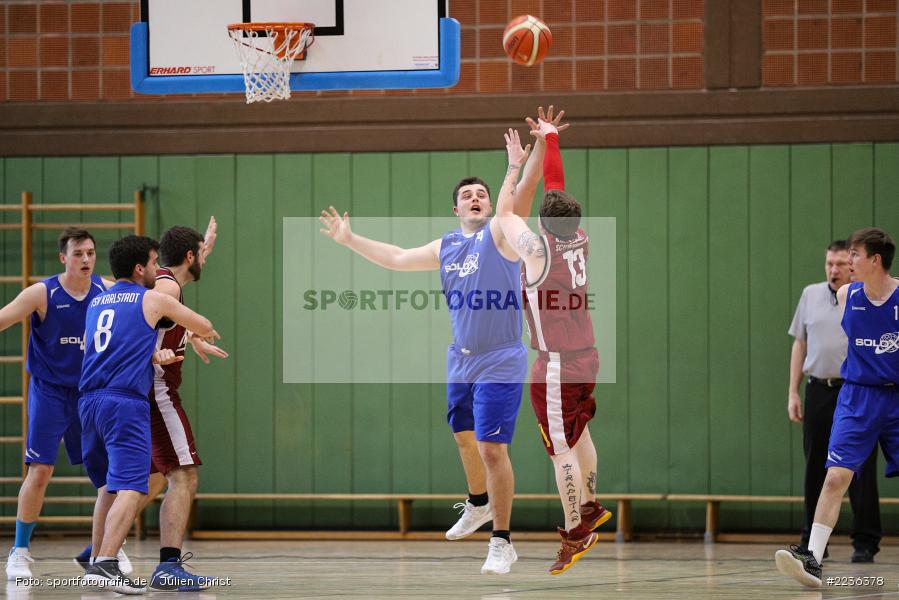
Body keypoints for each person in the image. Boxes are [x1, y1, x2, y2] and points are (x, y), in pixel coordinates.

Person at [318, 108, 562, 575]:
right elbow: (396, 256)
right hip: (461, 359)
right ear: (455, 209)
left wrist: (538, 150)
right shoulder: (447, 245)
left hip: (502, 358)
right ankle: (477, 502)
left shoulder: (501, 235)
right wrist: (351, 240)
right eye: (466, 195)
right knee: (465, 439)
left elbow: (525, 193)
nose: (475, 198)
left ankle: (502, 541)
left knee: (493, 449)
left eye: (482, 194)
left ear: (490, 206)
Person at [494, 116, 611, 574]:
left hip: (558, 364)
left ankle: (576, 531)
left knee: (559, 448)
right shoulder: (577, 235)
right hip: (588, 355)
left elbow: (506, 214)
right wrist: (552, 139)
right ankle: (590, 503)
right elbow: (557, 186)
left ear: (545, 219)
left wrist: (514, 166)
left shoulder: (537, 251)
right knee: (580, 434)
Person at [78, 235, 219, 594]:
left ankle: (98, 552)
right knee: (178, 476)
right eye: (153, 265)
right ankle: (151, 564)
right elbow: (192, 321)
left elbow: (129, 336)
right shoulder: (159, 293)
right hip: (138, 395)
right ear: (142, 268)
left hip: (89, 399)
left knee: (129, 484)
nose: (158, 271)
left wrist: (173, 342)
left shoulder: (99, 300)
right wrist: (195, 333)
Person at [0, 228, 136, 580]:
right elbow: (3, 317)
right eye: (78, 253)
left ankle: (106, 550)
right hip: (50, 392)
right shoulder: (43, 293)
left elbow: (152, 309)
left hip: (89, 394)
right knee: (40, 471)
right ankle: (19, 550)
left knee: (108, 479)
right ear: (64, 257)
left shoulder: (107, 291)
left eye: (91, 252)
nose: (86, 259)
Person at [776, 227, 898, 589]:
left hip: (895, 397)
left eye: (856, 256)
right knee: (834, 476)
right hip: (857, 396)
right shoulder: (848, 294)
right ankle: (812, 559)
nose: (848, 262)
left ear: (875, 260)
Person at [787, 240, 880, 562]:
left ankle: (865, 541)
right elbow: (800, 343)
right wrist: (792, 391)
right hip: (819, 389)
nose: (834, 269)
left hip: (857, 390)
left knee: (859, 467)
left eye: (841, 263)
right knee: (816, 465)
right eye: (829, 263)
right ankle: (813, 544)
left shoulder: (866, 297)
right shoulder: (810, 295)